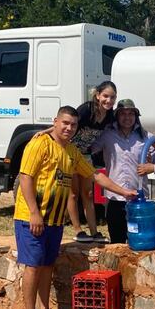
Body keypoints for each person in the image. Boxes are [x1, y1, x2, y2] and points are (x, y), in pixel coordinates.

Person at [15, 105, 136, 309]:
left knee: (47, 264)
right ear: (56, 121)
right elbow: (25, 177)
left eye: (73, 125)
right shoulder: (39, 144)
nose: (69, 128)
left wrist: (123, 191)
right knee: (32, 265)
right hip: (31, 217)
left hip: (55, 220)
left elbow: (95, 175)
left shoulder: (71, 151)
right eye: (65, 123)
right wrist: (33, 212)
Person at [34, 81, 117, 243]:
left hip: (85, 155)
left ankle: (94, 232)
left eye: (112, 97)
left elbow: (127, 124)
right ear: (98, 95)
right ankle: (78, 230)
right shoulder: (87, 109)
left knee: (88, 193)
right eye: (105, 96)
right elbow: (67, 123)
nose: (109, 100)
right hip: (69, 152)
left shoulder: (110, 116)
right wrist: (44, 132)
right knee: (73, 193)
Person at [91, 99, 155, 243]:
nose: (127, 117)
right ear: (117, 116)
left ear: (136, 116)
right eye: (123, 114)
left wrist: (154, 157)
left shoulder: (146, 136)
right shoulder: (107, 135)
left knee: (140, 242)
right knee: (117, 242)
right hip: (115, 199)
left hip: (139, 199)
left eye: (131, 113)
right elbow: (90, 150)